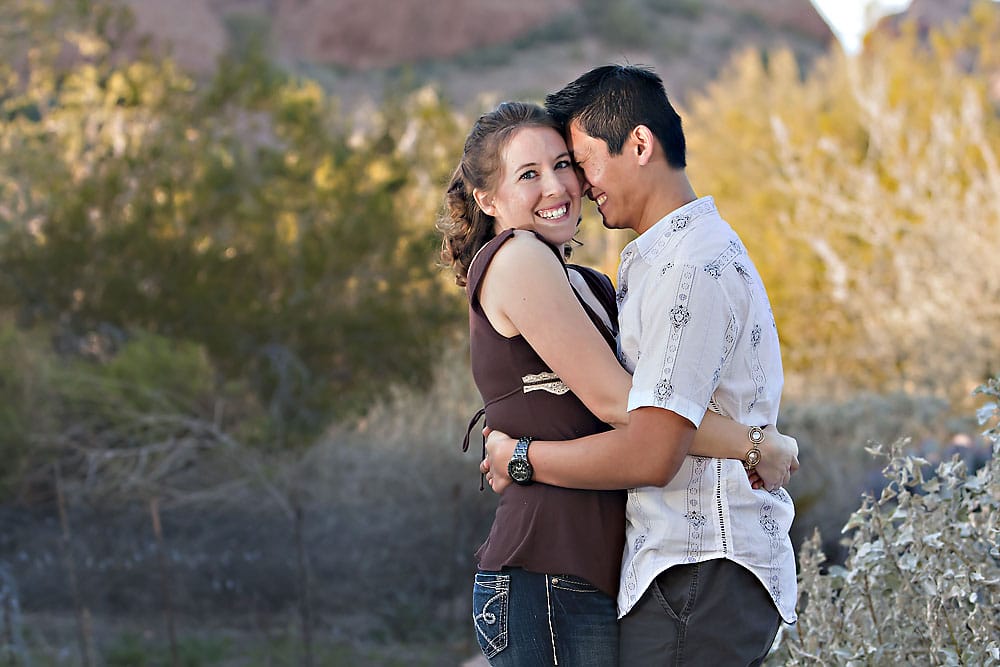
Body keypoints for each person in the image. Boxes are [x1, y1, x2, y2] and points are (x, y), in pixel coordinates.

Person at [439, 100, 797, 667]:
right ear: (487, 199)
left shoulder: (590, 283)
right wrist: (753, 445)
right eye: (528, 175)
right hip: (546, 567)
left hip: (598, 572)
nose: (557, 186)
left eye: (564, 165)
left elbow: (649, 402)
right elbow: (620, 401)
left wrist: (522, 455)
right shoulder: (517, 257)